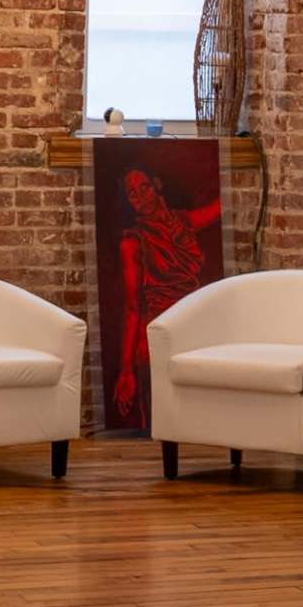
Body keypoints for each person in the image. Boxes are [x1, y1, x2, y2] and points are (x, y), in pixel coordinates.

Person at [108, 163, 223, 427]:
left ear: (157, 185)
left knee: (196, 423)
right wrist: (126, 370)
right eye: (132, 194)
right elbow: (132, 307)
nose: (140, 197)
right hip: (154, 340)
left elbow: (219, 207)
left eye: (144, 187)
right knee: (160, 426)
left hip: (192, 331)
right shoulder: (132, 242)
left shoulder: (183, 222)